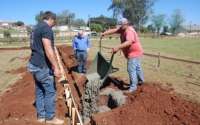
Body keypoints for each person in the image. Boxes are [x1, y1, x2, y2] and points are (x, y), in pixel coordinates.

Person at [27, 11, 64, 125]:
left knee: (39, 90)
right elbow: (48, 49)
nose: (54, 24)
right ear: (51, 19)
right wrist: (56, 67)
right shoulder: (46, 28)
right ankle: (50, 118)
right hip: (43, 66)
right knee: (50, 92)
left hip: (34, 64)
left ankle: (41, 116)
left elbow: (32, 45)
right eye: (54, 22)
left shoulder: (35, 28)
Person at [101, 18, 144, 93]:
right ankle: (141, 80)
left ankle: (133, 87)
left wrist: (118, 47)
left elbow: (129, 42)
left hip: (134, 53)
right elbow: (114, 30)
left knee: (131, 69)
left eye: (121, 25)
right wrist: (105, 33)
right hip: (137, 52)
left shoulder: (129, 31)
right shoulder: (122, 29)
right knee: (137, 67)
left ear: (126, 24)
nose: (120, 27)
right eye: (119, 25)